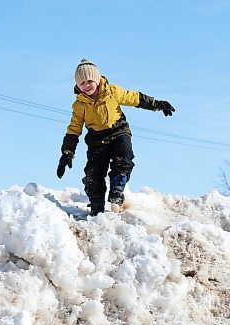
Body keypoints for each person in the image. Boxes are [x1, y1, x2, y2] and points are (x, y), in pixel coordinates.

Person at [56, 58, 175, 216]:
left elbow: (133, 98)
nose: (86, 85)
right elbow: (74, 129)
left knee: (123, 158)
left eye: (89, 80)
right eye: (82, 83)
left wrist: (156, 104)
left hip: (118, 132)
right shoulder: (79, 105)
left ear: (97, 79)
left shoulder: (112, 91)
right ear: (77, 86)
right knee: (93, 174)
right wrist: (67, 152)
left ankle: (117, 191)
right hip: (97, 141)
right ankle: (97, 209)